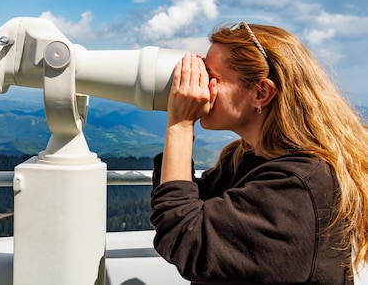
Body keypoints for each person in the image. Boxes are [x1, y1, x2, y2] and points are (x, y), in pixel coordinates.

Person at [150, 20, 368, 284]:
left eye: (212, 77)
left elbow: (186, 237)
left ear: (261, 93)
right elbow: (181, 206)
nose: (201, 86)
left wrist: (180, 126)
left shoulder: (297, 185)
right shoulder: (244, 158)